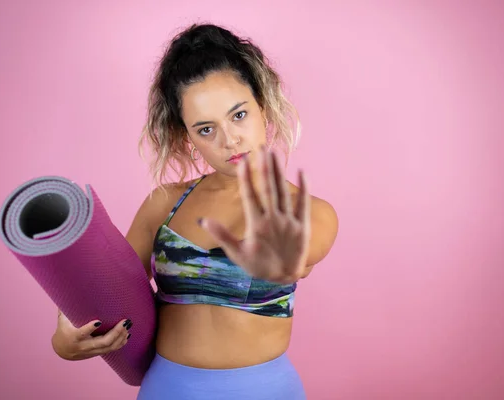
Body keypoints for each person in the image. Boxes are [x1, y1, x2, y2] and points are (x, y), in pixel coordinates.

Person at [50, 23, 338, 399]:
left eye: (238, 115)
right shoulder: (163, 204)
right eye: (206, 129)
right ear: (187, 137)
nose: (228, 139)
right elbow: (106, 291)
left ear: (262, 108)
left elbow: (300, 254)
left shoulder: (310, 213)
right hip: (167, 389)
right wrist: (65, 339)